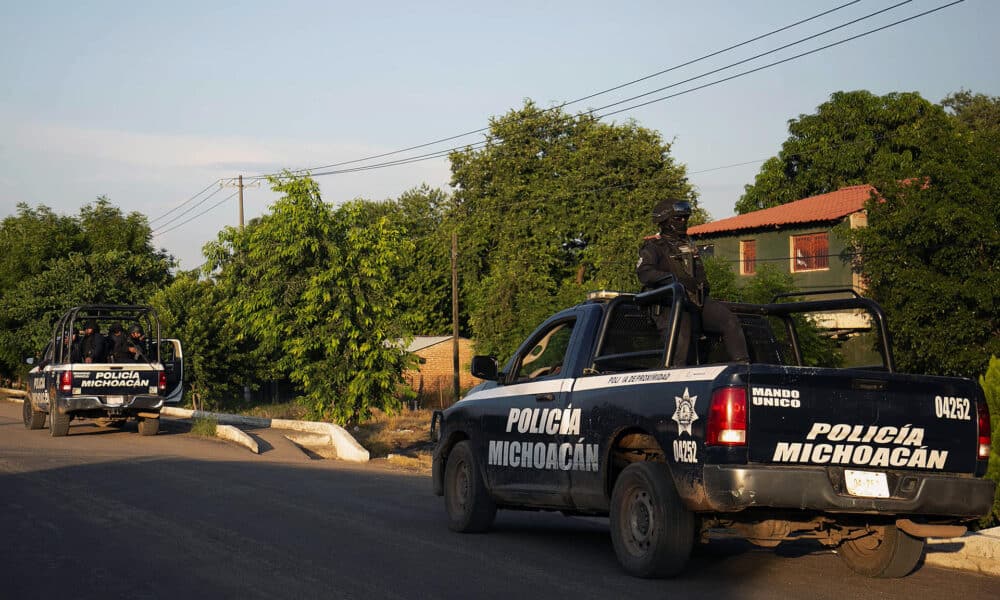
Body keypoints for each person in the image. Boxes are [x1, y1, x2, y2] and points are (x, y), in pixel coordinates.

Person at [636, 198, 749, 366]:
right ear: (664, 221)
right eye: (678, 218)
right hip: (670, 304)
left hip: (695, 300)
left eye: (685, 218)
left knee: (729, 320)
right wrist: (673, 281)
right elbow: (645, 273)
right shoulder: (653, 247)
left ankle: (743, 369)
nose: (683, 222)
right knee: (681, 337)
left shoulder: (689, 244)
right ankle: (675, 378)